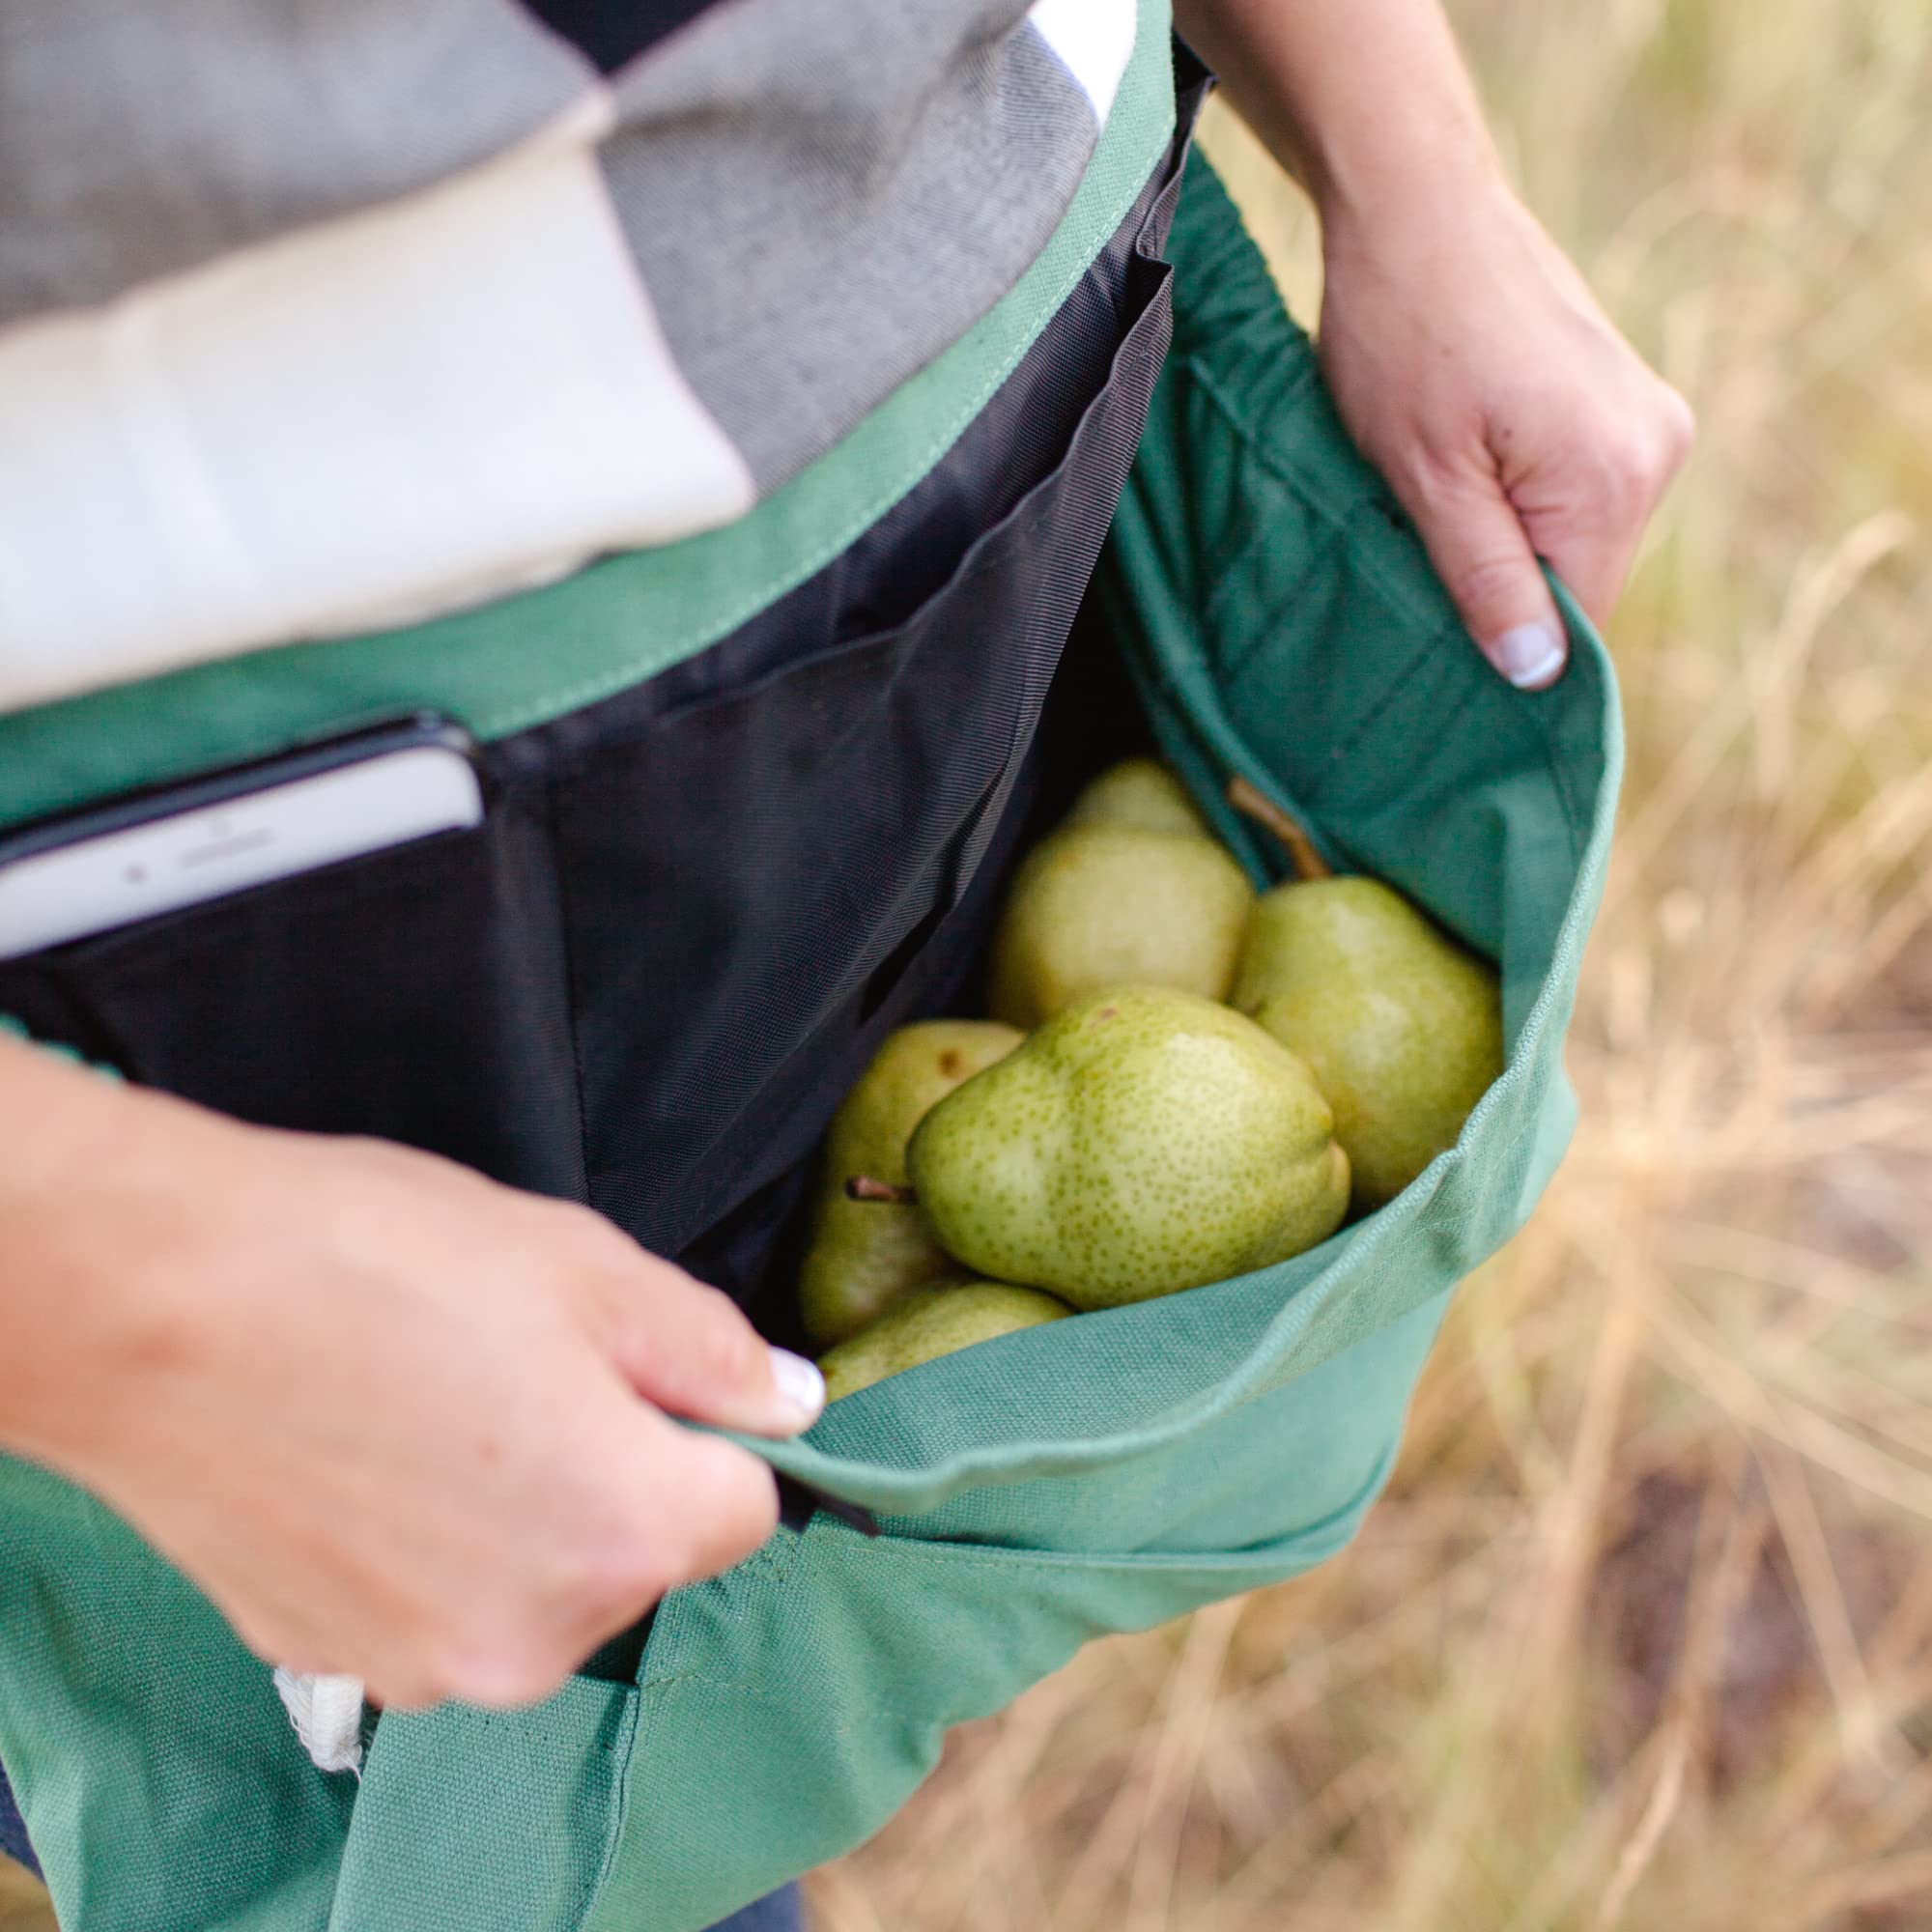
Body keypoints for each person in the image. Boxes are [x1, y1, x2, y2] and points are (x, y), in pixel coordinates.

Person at [0, 0, 1689, 1924]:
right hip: (222, 917)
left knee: (648, 1705)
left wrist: (1403, 154)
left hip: (1014, 499)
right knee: (439, 1772)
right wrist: (134, 1293)